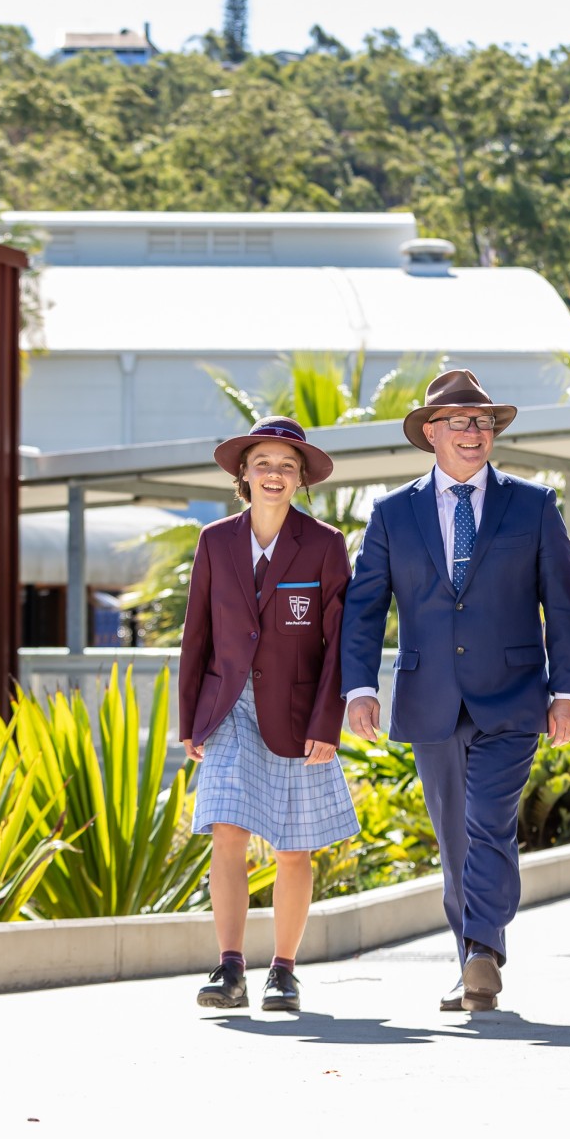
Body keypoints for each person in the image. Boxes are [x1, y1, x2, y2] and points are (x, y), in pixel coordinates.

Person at [342, 369, 570, 1013]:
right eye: (459, 422)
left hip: (512, 695)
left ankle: (482, 950)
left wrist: (569, 690)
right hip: (429, 696)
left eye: (483, 422)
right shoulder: (392, 513)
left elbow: (563, 603)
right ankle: (470, 958)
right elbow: (365, 607)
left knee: (489, 821)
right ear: (431, 433)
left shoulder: (532, 505)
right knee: (455, 836)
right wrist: (359, 688)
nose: (473, 432)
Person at [181, 415, 358, 1013]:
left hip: (298, 712)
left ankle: (283, 972)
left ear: (301, 477)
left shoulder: (326, 544)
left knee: (292, 846)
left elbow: (340, 642)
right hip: (228, 707)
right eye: (263, 464)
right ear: (244, 473)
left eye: (287, 466)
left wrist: (327, 723)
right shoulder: (215, 541)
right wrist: (191, 721)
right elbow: (196, 635)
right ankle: (229, 968)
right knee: (226, 831)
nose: (274, 475)